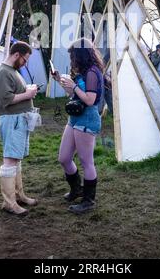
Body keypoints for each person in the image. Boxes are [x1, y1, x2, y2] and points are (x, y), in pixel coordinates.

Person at [52, 38, 104, 215]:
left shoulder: (92, 73)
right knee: (64, 158)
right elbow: (74, 94)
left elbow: (89, 100)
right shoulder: (84, 71)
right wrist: (60, 80)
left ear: (81, 54)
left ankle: (88, 200)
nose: (72, 59)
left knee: (86, 161)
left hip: (87, 119)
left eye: (73, 55)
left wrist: (74, 86)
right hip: (74, 119)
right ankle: (77, 189)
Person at [0, 41, 39, 216]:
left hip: (19, 120)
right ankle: (9, 202)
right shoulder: (3, 73)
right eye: (25, 60)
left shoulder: (12, 71)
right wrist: (27, 94)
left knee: (16, 158)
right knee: (10, 160)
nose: (25, 64)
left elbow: (14, 91)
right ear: (16, 55)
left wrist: (27, 89)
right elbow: (6, 99)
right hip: (11, 121)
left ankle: (19, 195)